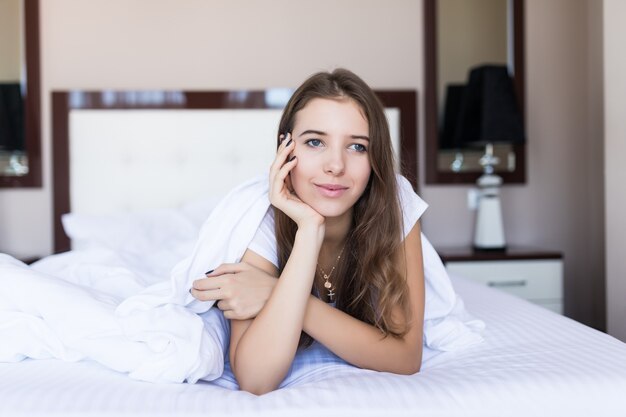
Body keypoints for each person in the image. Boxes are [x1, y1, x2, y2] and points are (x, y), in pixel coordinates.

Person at [190, 68, 426, 395]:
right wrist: (309, 229)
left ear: (375, 159)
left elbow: (406, 357)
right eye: (315, 142)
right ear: (286, 150)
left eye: (357, 147)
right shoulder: (259, 218)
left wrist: (276, 292)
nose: (336, 165)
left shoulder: (395, 206)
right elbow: (256, 379)